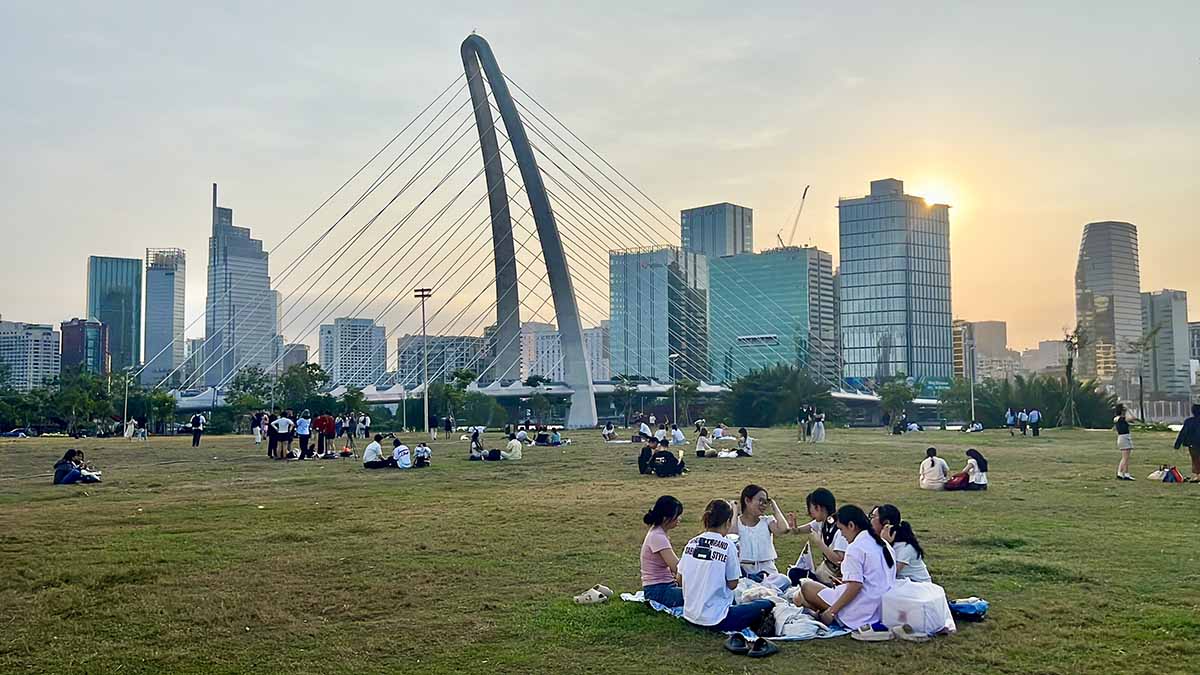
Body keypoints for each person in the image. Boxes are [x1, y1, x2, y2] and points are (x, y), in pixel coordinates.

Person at [793, 505, 896, 630]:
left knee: (807, 587)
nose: (842, 535)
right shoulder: (884, 544)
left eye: (841, 530)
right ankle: (813, 608)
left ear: (851, 526)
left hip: (861, 610)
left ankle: (819, 610)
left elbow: (855, 586)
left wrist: (832, 612)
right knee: (806, 594)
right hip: (882, 608)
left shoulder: (855, 548)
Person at [678, 499, 774, 632]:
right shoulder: (728, 546)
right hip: (717, 618)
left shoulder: (691, 543)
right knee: (767, 604)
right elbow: (733, 584)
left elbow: (680, 579)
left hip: (690, 614)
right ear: (728, 522)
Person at [787, 488, 848, 585]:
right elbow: (798, 531)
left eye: (811, 510)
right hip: (824, 574)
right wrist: (793, 526)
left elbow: (839, 560)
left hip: (835, 579)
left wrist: (820, 543)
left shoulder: (840, 530)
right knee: (794, 573)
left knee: (798, 578)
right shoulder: (822, 522)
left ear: (818, 508)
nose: (810, 514)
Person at [733, 484, 791, 576]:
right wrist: (734, 511)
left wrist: (774, 506)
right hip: (744, 570)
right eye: (760, 501)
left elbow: (784, 529)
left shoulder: (767, 521)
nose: (763, 505)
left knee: (784, 581)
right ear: (747, 500)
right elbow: (732, 536)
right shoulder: (736, 523)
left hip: (767, 569)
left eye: (765, 502)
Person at [641, 495, 685, 608]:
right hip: (658, 590)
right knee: (698, 595)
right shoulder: (657, 536)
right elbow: (677, 567)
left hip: (663, 586)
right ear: (666, 518)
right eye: (677, 516)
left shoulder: (657, 533)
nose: (679, 519)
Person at [870, 505, 931, 583]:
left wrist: (884, 544)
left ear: (886, 523)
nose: (870, 521)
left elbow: (888, 573)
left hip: (917, 587)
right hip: (901, 583)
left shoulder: (905, 547)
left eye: (873, 517)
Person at [1174, 404, 1200, 483]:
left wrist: (1177, 444)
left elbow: (1183, 433)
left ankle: (1198, 475)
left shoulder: (1189, 421)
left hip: (1193, 444)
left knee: (1195, 459)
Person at [1114, 404, 1135, 481]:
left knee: (1125, 458)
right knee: (1125, 458)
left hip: (1121, 438)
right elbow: (1133, 418)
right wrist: (1128, 410)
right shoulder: (1122, 418)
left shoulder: (1116, 418)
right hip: (1124, 438)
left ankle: (1125, 473)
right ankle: (1120, 473)